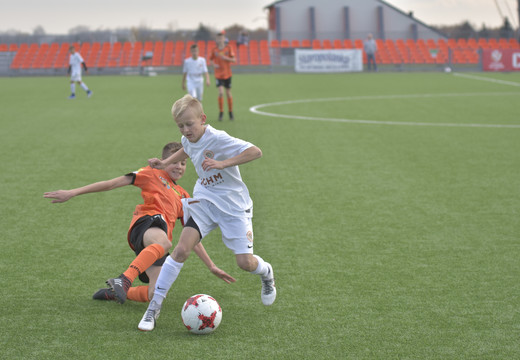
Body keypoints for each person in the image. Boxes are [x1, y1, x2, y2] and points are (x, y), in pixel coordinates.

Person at [138, 95, 276, 332]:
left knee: (245, 263)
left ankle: (267, 273)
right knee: (181, 250)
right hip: (205, 200)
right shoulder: (187, 138)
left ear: (202, 119)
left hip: (233, 206)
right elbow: (187, 149)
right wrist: (164, 163)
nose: (185, 129)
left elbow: (256, 152)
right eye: (180, 125)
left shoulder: (218, 139)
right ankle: (154, 306)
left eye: (189, 124)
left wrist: (224, 163)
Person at [43, 142, 235, 305]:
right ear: (164, 161)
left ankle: (117, 292)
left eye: (183, 163)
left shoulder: (184, 196)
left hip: (155, 244)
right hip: (145, 224)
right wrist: (72, 192)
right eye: (174, 162)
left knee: (157, 293)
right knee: (165, 242)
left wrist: (211, 265)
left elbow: (191, 236)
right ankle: (125, 279)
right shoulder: (151, 173)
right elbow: (112, 183)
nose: (179, 167)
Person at [209, 32, 236, 121]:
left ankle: (230, 112)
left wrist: (226, 58)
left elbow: (234, 60)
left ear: (224, 39)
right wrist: (214, 65)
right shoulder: (214, 50)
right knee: (221, 92)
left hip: (227, 74)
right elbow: (210, 59)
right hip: (218, 74)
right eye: (218, 38)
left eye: (221, 38)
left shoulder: (228, 48)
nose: (220, 40)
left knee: (228, 93)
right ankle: (221, 112)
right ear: (216, 40)